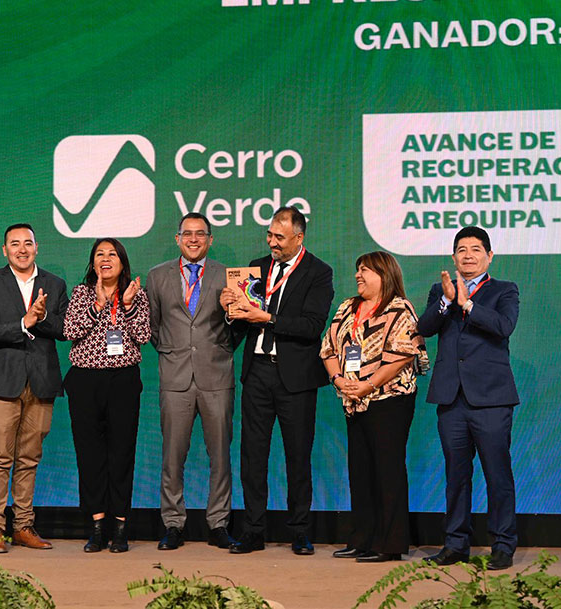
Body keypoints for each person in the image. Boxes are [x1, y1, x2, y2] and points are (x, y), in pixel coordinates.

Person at [219, 206, 334, 555]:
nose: (272, 242)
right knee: (253, 456)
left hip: (295, 377)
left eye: (279, 237)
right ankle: (253, 530)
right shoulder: (257, 268)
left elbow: (311, 326)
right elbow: (241, 324)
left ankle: (299, 530)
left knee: (297, 456)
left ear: (299, 237)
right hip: (256, 372)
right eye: (269, 235)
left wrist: (265, 317)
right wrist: (230, 310)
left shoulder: (318, 272)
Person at [418, 226, 520, 571]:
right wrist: (447, 300)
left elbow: (503, 326)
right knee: (456, 475)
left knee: (497, 474)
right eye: (461, 249)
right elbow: (425, 327)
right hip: (452, 399)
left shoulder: (504, 291)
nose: (468, 255)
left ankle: (503, 545)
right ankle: (456, 544)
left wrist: (467, 303)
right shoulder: (440, 291)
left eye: (476, 249)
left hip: (491, 399)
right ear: (453, 257)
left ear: (489, 256)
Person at [320, 251, 429, 563]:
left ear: (385, 274)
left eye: (366, 270)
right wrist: (339, 380)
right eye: (358, 270)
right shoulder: (347, 307)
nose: (358, 275)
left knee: (387, 469)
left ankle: (390, 543)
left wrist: (368, 384)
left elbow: (405, 355)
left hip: (389, 399)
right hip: (353, 400)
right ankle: (362, 538)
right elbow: (328, 348)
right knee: (361, 470)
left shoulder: (400, 309)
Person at [0, 223, 68, 553]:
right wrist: (22, 323)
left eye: (28, 243)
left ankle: (23, 526)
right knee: (0, 458)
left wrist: (41, 318)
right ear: (5, 250)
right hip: (2, 383)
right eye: (15, 244)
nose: (22, 249)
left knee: (29, 459)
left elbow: (64, 329)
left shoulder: (54, 284)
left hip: (40, 383)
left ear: (37, 247)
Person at [146, 213, 235, 551]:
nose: (194, 239)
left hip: (217, 376)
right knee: (172, 456)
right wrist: (172, 352)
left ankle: (219, 524)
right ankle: (173, 524)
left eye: (201, 234)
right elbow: (153, 328)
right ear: (177, 238)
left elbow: (236, 326)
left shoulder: (228, 276)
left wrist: (226, 322)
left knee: (221, 457)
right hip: (175, 377)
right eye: (188, 233)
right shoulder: (157, 276)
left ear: (210, 239)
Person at [63, 238, 150, 553]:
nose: (105, 258)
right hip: (85, 381)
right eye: (99, 254)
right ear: (92, 263)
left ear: (123, 262)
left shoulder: (136, 295)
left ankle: (121, 526)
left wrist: (126, 306)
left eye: (112, 254)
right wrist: (97, 305)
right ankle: (97, 525)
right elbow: (70, 331)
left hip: (123, 382)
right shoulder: (81, 293)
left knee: (121, 453)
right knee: (90, 455)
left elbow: (143, 335)